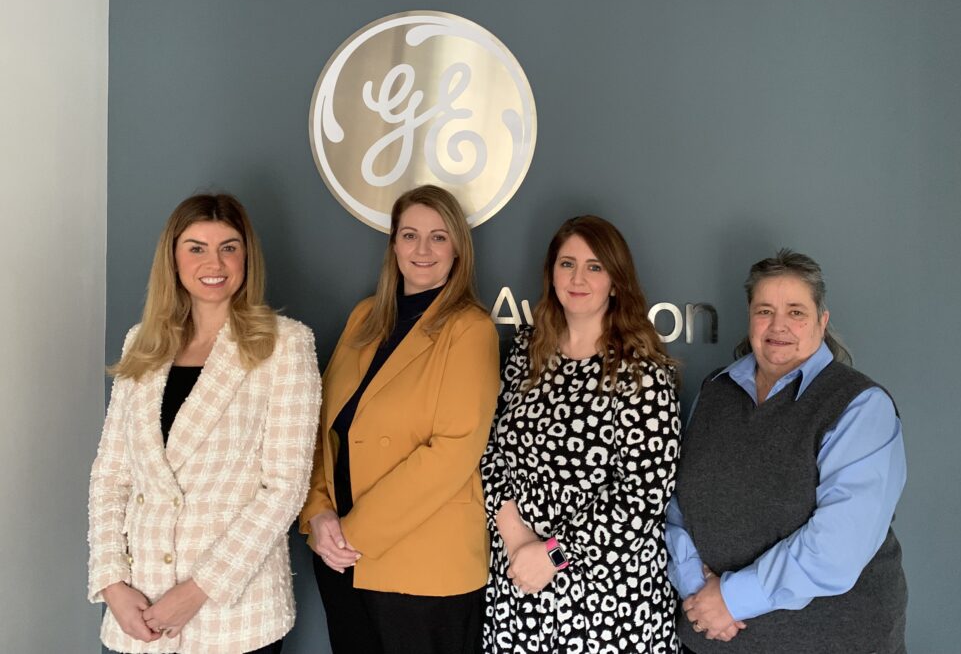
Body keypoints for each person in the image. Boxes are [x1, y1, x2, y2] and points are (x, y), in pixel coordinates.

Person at [87, 193, 322, 654]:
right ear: (173, 258)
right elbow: (110, 475)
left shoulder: (285, 346)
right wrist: (112, 581)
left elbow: (285, 489)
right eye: (196, 247)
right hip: (138, 610)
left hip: (232, 615)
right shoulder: (143, 342)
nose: (214, 262)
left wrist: (197, 591)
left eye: (229, 247)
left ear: (246, 256)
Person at [666, 249, 907, 654]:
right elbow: (675, 506)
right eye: (765, 310)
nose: (779, 325)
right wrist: (696, 587)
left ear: (821, 320)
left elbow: (836, 548)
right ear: (749, 318)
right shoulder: (715, 390)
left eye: (796, 311)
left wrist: (730, 599)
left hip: (831, 642)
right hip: (709, 636)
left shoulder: (860, 405)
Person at [299, 185, 500, 654]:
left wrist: (353, 532)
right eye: (409, 235)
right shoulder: (364, 318)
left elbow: (452, 452)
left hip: (424, 571)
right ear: (393, 244)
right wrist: (318, 514)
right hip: (341, 562)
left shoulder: (470, 329)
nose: (422, 249)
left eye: (438, 237)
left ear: (458, 249)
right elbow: (323, 431)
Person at [481, 215, 683, 653]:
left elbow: (641, 499)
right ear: (551, 273)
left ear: (615, 281)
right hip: (520, 585)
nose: (578, 278)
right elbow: (493, 453)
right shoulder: (526, 352)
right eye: (567, 263)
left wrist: (551, 553)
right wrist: (516, 538)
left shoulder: (642, 374)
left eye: (594, 266)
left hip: (607, 601)